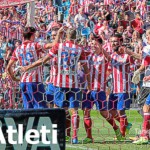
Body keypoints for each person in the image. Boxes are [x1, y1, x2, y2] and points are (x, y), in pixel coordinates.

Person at [20, 27, 91, 144]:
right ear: (75, 37)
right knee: (74, 111)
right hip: (74, 83)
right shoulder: (79, 49)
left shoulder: (59, 46)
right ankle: (74, 137)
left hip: (59, 83)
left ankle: (57, 134)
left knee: (58, 109)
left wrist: (28, 67)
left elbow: (43, 60)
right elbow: (86, 69)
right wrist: (88, 84)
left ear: (66, 36)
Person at [81, 38, 124, 143]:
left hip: (99, 89)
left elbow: (109, 58)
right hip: (87, 89)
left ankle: (116, 128)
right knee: (86, 112)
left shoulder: (103, 57)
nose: (92, 45)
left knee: (103, 113)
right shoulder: (89, 55)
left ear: (100, 45)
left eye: (95, 44)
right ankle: (89, 137)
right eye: (91, 43)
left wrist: (102, 48)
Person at [6, 26, 60, 109]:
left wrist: (13, 77)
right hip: (35, 82)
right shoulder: (35, 45)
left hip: (23, 82)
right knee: (40, 109)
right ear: (32, 35)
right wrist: (59, 33)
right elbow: (54, 44)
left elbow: (9, 66)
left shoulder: (18, 49)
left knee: (28, 110)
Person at [103, 35, 134, 140]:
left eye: (115, 41)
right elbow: (109, 69)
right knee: (111, 110)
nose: (113, 43)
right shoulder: (112, 56)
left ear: (120, 42)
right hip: (114, 88)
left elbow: (133, 64)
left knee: (121, 111)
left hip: (123, 88)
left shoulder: (126, 56)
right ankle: (126, 124)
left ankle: (122, 135)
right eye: (112, 42)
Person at [132, 29, 150, 144]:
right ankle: (145, 133)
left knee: (145, 107)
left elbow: (143, 61)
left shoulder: (147, 49)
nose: (148, 36)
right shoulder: (147, 47)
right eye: (147, 35)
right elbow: (145, 63)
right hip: (146, 82)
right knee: (141, 104)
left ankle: (144, 135)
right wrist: (138, 72)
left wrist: (128, 52)